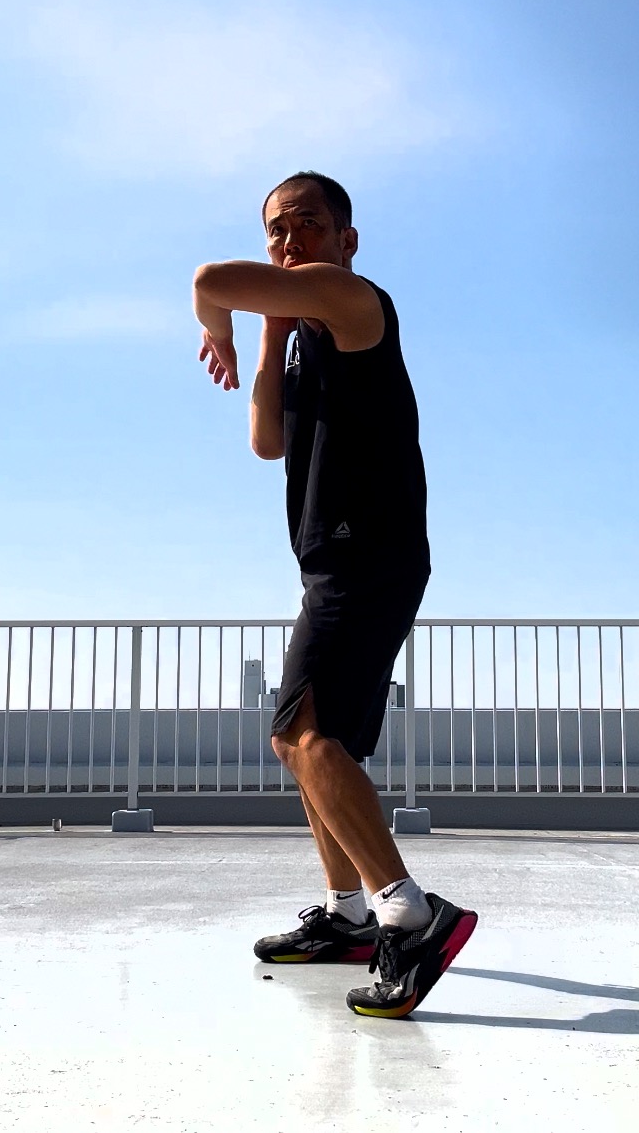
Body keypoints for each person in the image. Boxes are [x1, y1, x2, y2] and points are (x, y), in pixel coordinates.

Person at [191, 171, 477, 1018]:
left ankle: (407, 915)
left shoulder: (353, 301)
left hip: (366, 554)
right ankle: (348, 915)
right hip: (337, 560)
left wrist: (221, 323)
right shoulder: (303, 331)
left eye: (305, 225)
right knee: (315, 744)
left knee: (301, 734)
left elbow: (209, 281)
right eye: (276, 230)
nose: (288, 241)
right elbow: (266, 440)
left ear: (345, 240)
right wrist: (269, 325)